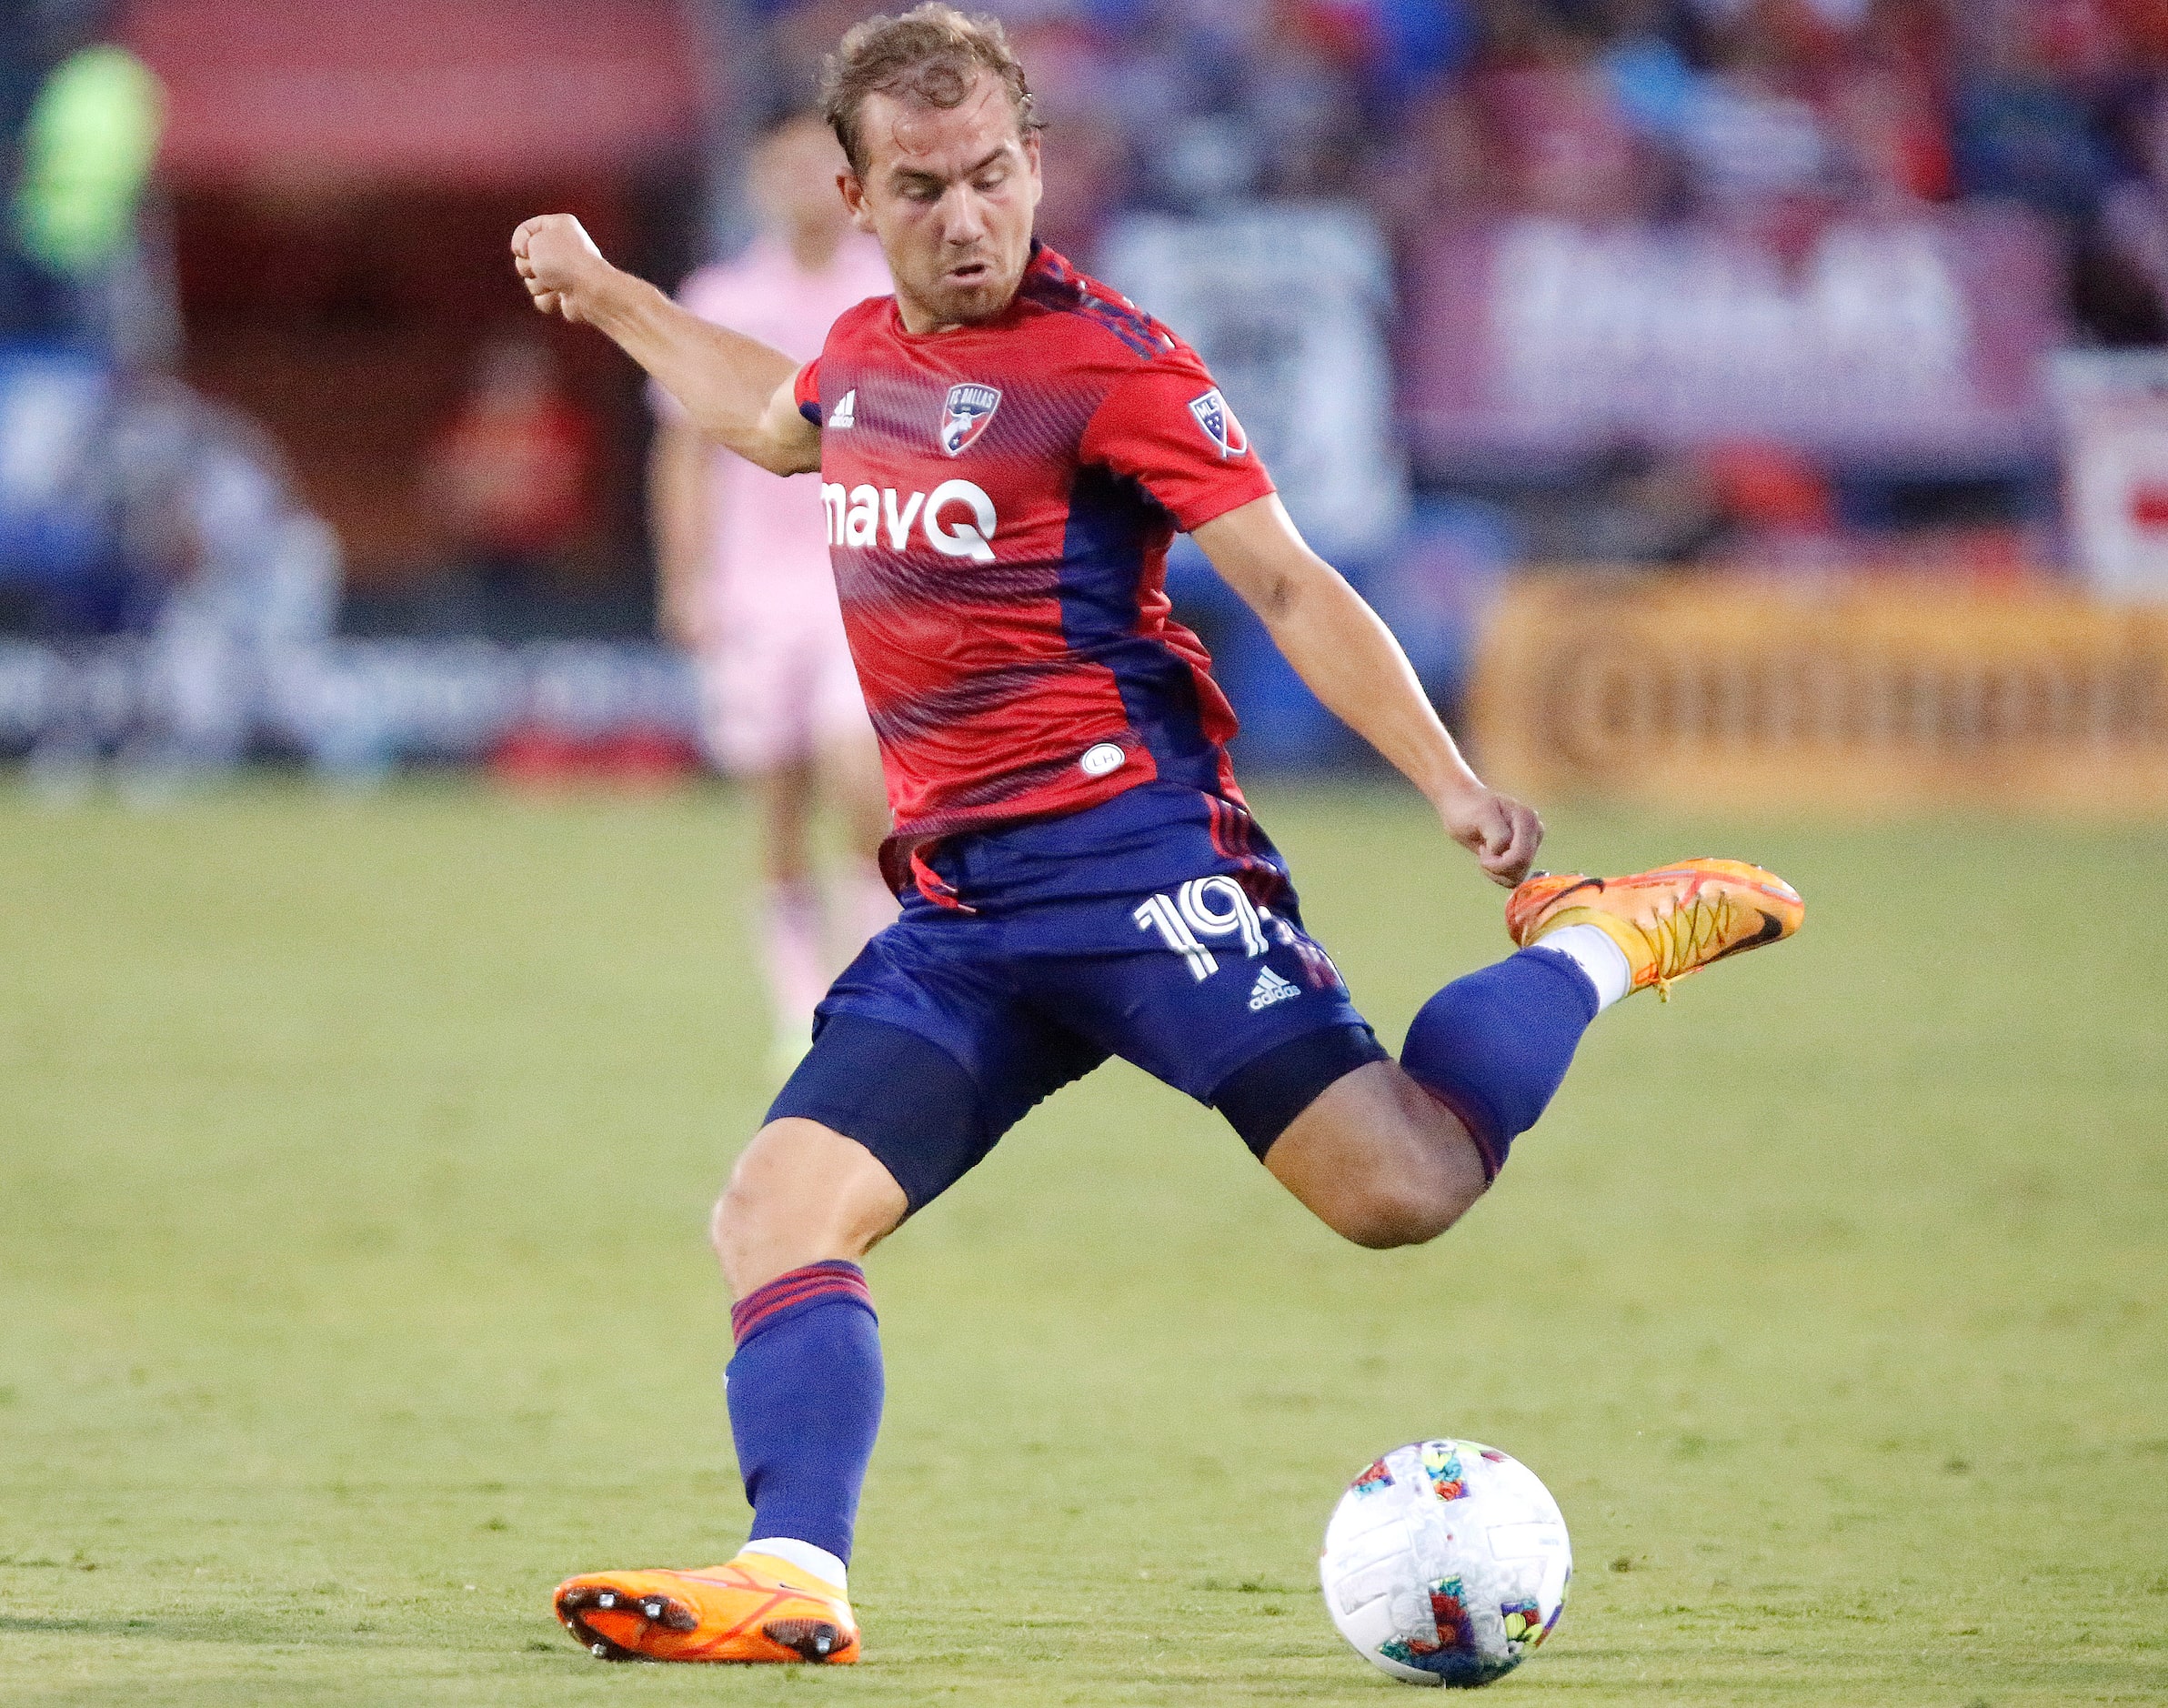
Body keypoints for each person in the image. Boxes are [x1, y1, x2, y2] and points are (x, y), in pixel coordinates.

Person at [512, 4, 1803, 1667]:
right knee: (770, 1212)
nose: (966, 217)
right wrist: (612, 295)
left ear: (1035, 162)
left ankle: (1595, 945)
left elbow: (1281, 576)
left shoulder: (1107, 362)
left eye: (991, 175)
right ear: (853, 192)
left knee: (1398, 1190)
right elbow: (776, 417)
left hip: (1137, 873)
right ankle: (792, 1572)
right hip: (965, 916)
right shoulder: (863, 356)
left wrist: (1444, 780)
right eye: (921, 189)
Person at [649, 115, 898, 1071]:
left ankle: (856, 991)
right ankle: (796, 1006)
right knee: (779, 801)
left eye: (822, 166)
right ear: (757, 178)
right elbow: (682, 451)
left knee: (859, 780)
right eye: (785, 163)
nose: (804, 182)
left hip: (865, 577)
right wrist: (684, 577)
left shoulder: (885, 292)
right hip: (754, 588)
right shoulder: (723, 297)